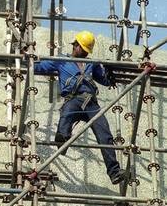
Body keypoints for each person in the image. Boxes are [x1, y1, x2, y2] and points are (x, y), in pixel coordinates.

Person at [34, 30, 155, 185]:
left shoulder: (92, 64)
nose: (85, 53)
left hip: (91, 103)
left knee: (105, 135)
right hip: (73, 99)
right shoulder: (61, 60)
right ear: (75, 45)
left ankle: (114, 172)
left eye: (86, 51)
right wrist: (26, 59)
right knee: (66, 115)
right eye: (83, 50)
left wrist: (110, 72)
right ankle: (62, 139)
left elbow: (104, 80)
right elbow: (40, 67)